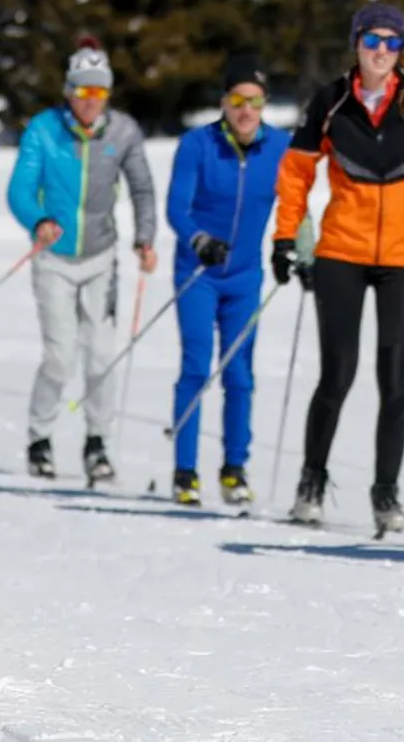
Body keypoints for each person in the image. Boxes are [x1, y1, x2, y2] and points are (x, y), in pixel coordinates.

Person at [275, 3, 404, 531]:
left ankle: (385, 495)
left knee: (394, 378)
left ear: (402, 50)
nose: (381, 51)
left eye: (393, 42)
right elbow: (296, 173)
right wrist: (285, 238)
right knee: (337, 374)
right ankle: (311, 482)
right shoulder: (331, 99)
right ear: (357, 42)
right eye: (373, 39)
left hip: (403, 258)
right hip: (340, 254)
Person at [7, 39, 159, 482]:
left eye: (99, 92)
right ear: (69, 91)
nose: (91, 102)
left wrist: (144, 238)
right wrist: (39, 221)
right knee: (59, 355)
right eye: (83, 91)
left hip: (100, 257)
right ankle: (39, 438)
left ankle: (97, 443)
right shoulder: (43, 129)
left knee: (100, 355)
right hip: (52, 256)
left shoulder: (123, 132)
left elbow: (143, 189)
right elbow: (19, 188)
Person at [165, 55, 290, 506]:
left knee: (239, 373)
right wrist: (199, 240)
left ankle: (234, 469)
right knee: (197, 367)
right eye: (237, 100)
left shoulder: (279, 147)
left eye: (254, 101)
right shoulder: (197, 145)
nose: (245, 110)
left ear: (264, 105)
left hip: (244, 277)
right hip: (198, 273)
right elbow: (177, 207)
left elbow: (297, 204)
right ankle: (185, 472)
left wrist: (296, 247)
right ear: (223, 102)